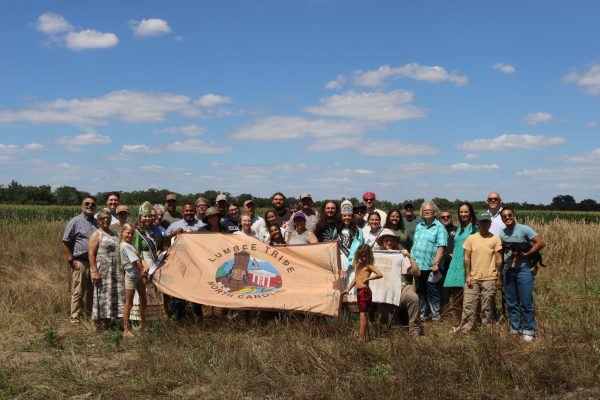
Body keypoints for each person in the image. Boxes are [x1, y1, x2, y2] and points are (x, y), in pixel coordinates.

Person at [499, 208, 545, 342]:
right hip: (508, 270)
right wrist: (500, 274)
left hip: (524, 271)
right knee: (511, 302)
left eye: (510, 215)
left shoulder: (524, 229)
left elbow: (541, 243)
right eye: (504, 216)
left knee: (526, 302)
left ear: (514, 216)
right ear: (502, 219)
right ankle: (515, 328)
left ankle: (529, 330)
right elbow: (501, 254)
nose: (507, 217)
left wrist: (527, 254)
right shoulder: (502, 234)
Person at [454, 212, 503, 334]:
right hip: (473, 278)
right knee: (469, 305)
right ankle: (466, 329)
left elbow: (499, 259)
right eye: (482, 222)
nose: (484, 224)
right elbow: (466, 258)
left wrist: (499, 277)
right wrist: (468, 275)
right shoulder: (471, 239)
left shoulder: (495, 239)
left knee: (487, 306)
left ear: (490, 224)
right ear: (478, 223)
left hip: (489, 278)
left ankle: (487, 330)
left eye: (487, 222)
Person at [375, 229, 421, 334]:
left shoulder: (400, 255)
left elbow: (417, 273)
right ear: (382, 242)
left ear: (395, 242)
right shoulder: (376, 256)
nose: (389, 243)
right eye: (386, 240)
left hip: (402, 287)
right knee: (382, 330)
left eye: (391, 240)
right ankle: (384, 330)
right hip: (386, 291)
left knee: (413, 297)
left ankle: (415, 329)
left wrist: (409, 256)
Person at [62, 196, 99, 324]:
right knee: (78, 291)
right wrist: (71, 260)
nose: (90, 206)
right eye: (87, 203)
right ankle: (75, 318)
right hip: (80, 261)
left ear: (95, 207)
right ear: (81, 206)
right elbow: (66, 241)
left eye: (92, 204)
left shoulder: (97, 223)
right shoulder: (75, 221)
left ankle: (89, 317)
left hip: (94, 263)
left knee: (92, 292)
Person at [410, 201, 448, 321]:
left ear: (435, 212)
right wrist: (411, 260)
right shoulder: (419, 226)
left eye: (429, 211)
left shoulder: (439, 227)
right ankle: (423, 314)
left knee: (433, 291)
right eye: (424, 210)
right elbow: (415, 244)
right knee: (420, 291)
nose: (426, 212)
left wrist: (436, 263)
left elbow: (442, 246)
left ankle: (436, 316)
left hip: (432, 266)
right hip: (418, 265)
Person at [88, 208, 124, 330]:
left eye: (108, 218)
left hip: (116, 270)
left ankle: (112, 322)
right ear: (98, 221)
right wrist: (94, 271)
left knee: (115, 295)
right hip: (103, 271)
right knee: (103, 296)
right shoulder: (96, 234)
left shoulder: (114, 233)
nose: (106, 220)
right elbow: (91, 253)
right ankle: (102, 323)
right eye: (103, 218)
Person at [443, 203, 478, 325]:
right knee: (456, 296)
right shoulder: (458, 229)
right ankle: (460, 324)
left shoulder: (475, 228)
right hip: (455, 264)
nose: (463, 214)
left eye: (466, 212)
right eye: (461, 212)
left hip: (469, 263)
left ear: (470, 213)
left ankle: (471, 323)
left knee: (469, 296)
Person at [131, 202, 166, 322]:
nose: (147, 219)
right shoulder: (136, 232)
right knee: (143, 291)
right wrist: (142, 266)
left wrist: (158, 253)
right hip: (143, 264)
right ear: (140, 217)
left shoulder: (153, 231)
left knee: (154, 292)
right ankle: (140, 322)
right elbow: (135, 251)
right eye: (144, 216)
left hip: (154, 263)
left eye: (149, 216)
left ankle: (154, 321)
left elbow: (157, 246)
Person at [342, 244, 383, 341]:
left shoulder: (368, 265)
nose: (363, 258)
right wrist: (348, 289)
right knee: (362, 314)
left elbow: (380, 274)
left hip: (365, 291)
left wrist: (368, 278)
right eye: (361, 256)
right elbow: (356, 278)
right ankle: (364, 337)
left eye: (365, 256)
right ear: (358, 255)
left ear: (369, 255)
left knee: (363, 314)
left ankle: (361, 338)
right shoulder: (358, 265)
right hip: (359, 291)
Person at [119, 223, 148, 337]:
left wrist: (144, 267)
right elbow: (136, 261)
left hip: (138, 276)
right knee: (129, 304)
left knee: (144, 300)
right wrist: (143, 272)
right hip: (131, 277)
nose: (130, 235)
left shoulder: (130, 245)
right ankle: (126, 329)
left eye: (132, 233)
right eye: (128, 233)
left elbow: (139, 258)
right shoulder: (124, 245)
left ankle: (143, 324)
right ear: (122, 233)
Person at [339, 200, 364, 314]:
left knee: (351, 286)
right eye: (344, 216)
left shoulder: (358, 231)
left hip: (352, 264)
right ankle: (342, 313)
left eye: (349, 215)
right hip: (339, 262)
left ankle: (353, 314)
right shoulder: (337, 230)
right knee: (340, 287)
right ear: (341, 216)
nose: (347, 218)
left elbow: (355, 249)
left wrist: (346, 266)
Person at [439, 210, 457, 309]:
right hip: (441, 266)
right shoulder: (437, 230)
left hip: (455, 266)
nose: (445, 218)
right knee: (443, 291)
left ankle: (457, 311)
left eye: (448, 216)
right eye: (443, 217)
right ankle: (444, 313)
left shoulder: (457, 230)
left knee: (456, 291)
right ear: (439, 219)